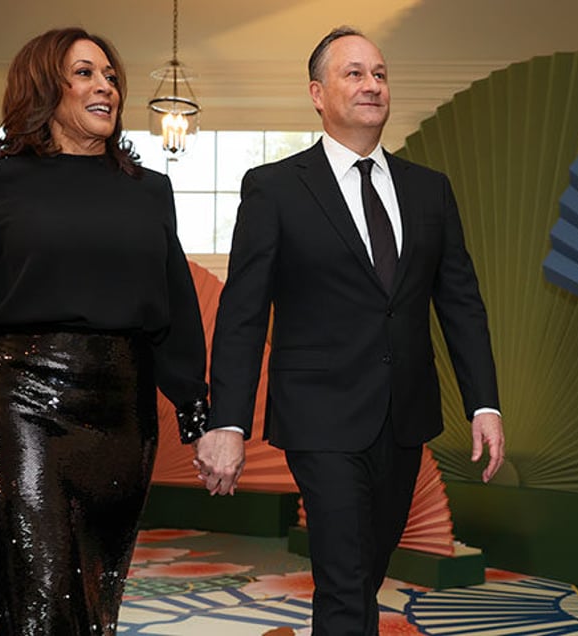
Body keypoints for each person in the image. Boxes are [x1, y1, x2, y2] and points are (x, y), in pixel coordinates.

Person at [195, 26, 505, 635]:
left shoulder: (430, 191)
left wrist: (485, 403)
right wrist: (226, 422)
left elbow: (461, 304)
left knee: (363, 573)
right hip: (319, 415)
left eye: (380, 74)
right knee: (343, 576)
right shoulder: (275, 188)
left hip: (404, 416)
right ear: (317, 93)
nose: (372, 85)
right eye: (354, 73)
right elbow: (243, 312)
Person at [0, 27, 208, 635]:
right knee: (41, 598)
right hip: (20, 407)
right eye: (84, 73)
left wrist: (198, 416)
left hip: (124, 417)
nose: (106, 86)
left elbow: (173, 310)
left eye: (110, 75)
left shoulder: (150, 190)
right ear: (46, 88)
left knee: (94, 603)